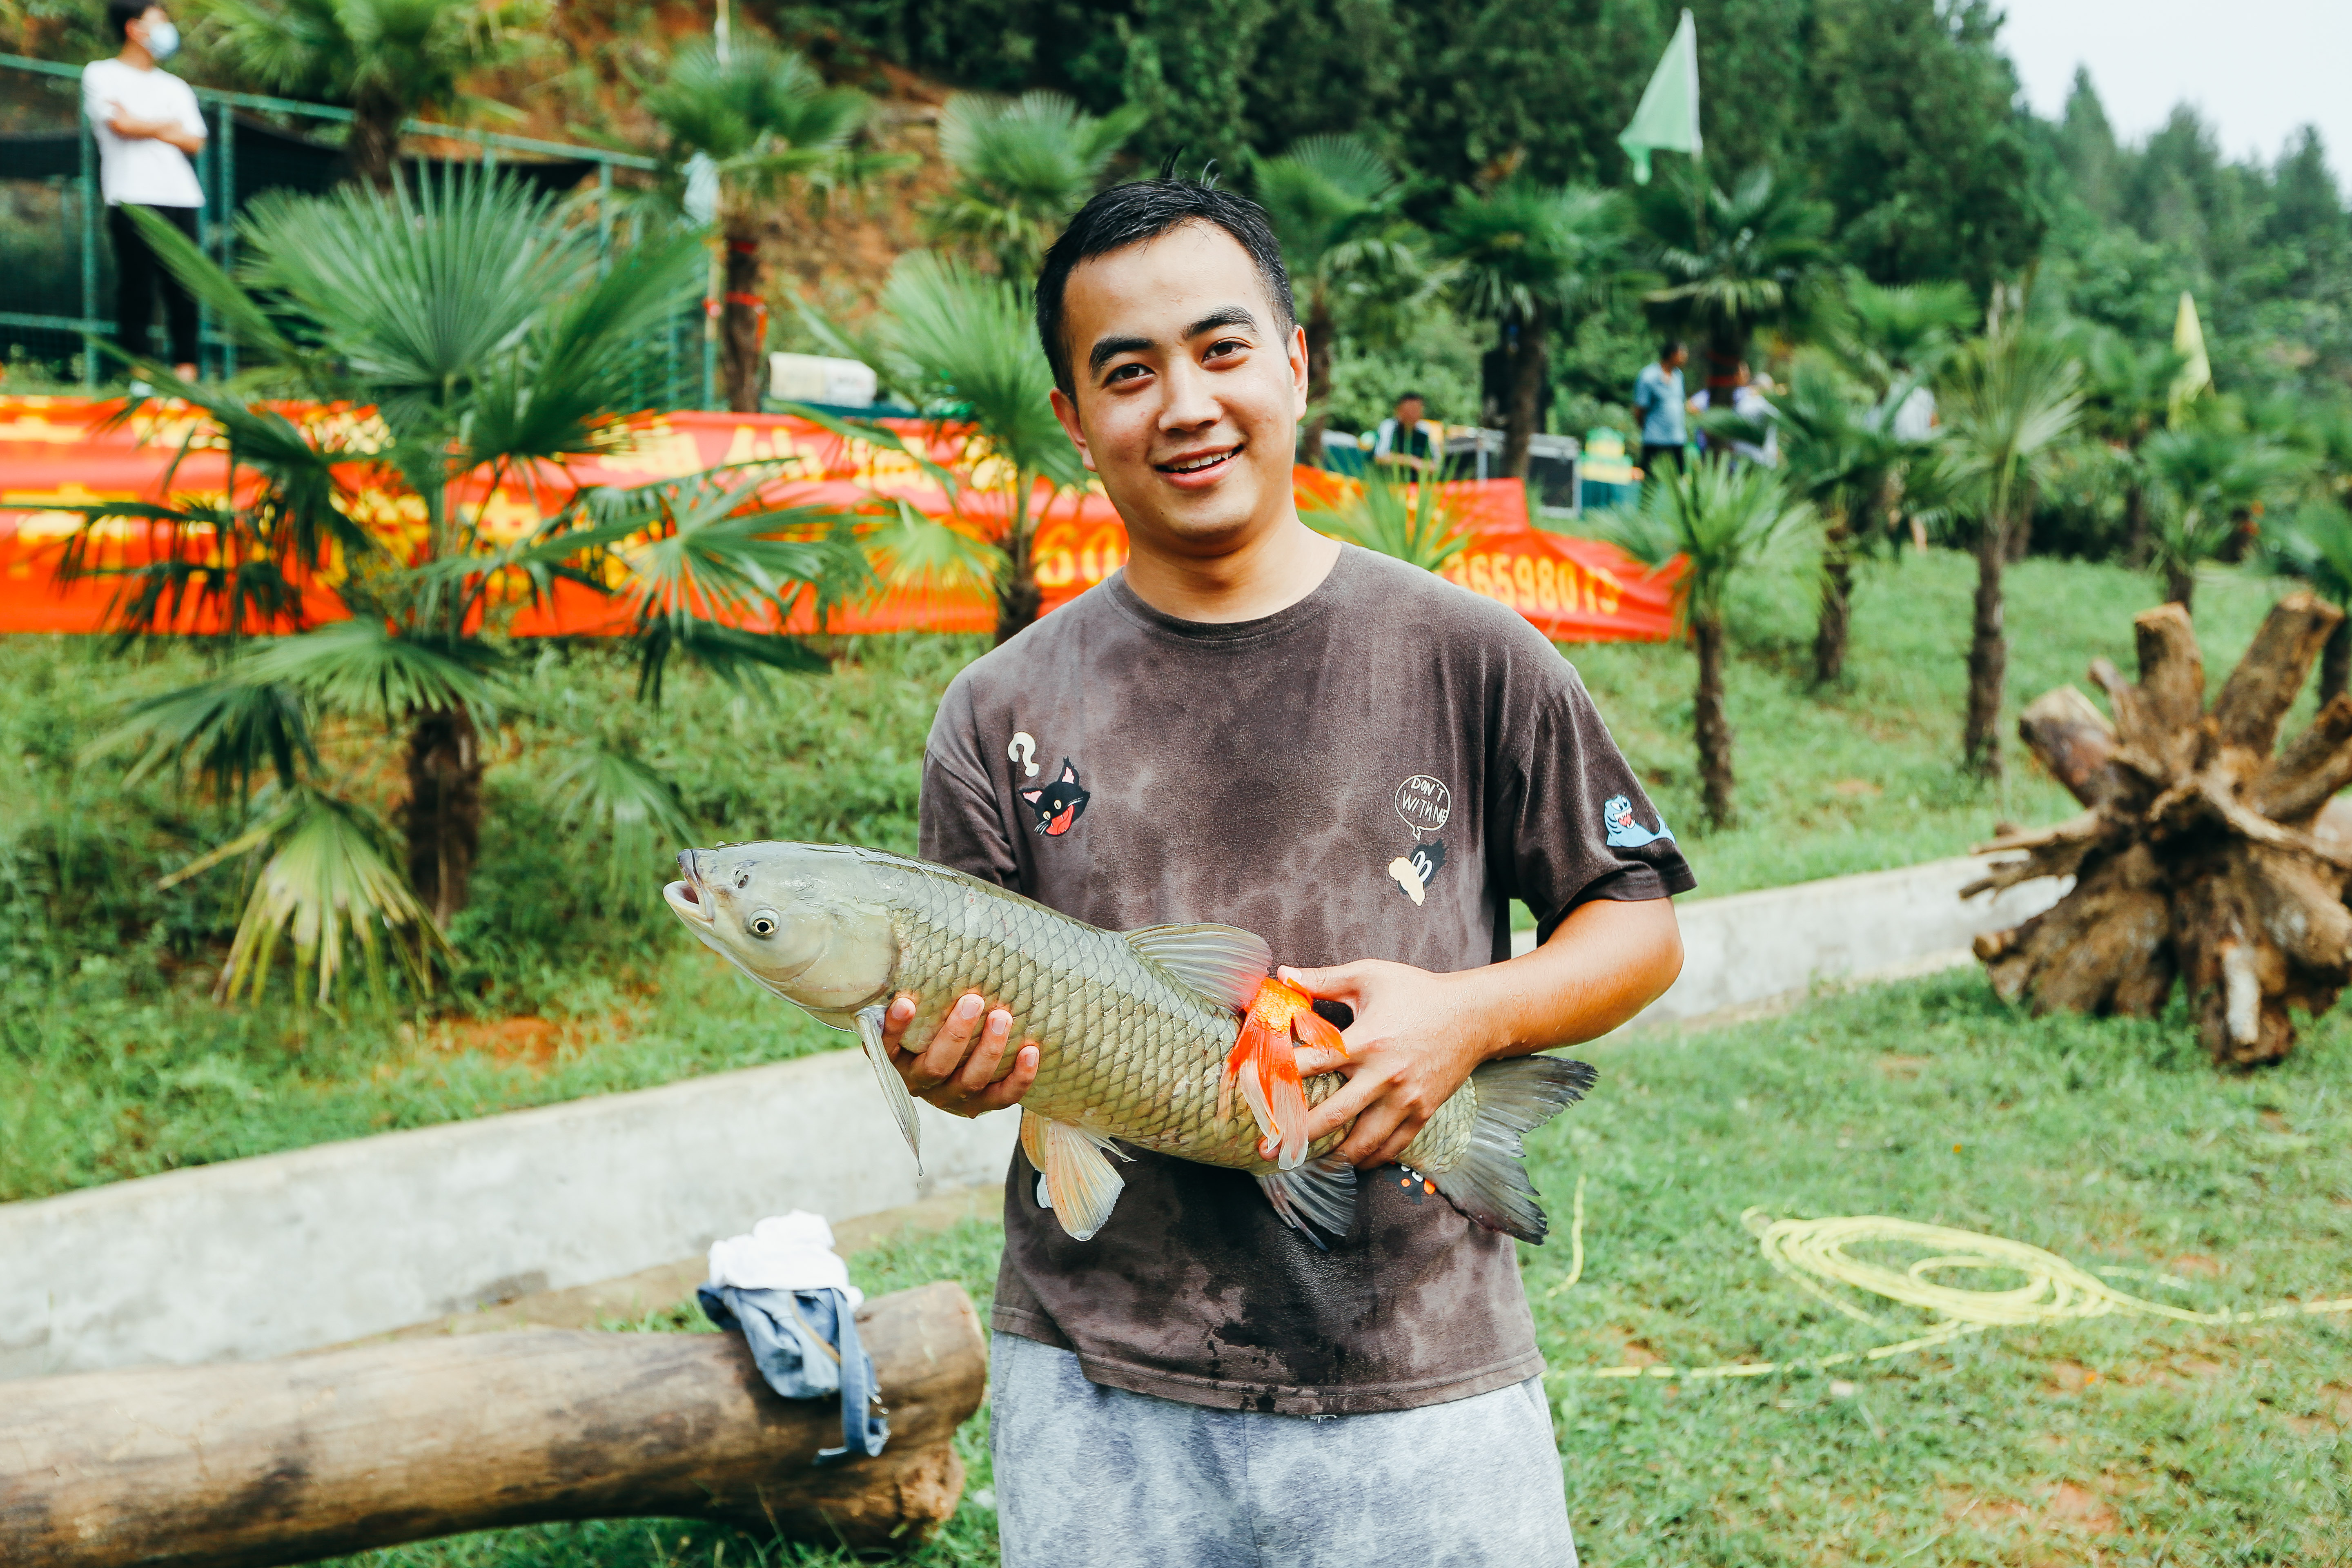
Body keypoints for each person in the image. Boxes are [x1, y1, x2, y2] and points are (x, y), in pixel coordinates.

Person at [882, 178, 1691, 1566]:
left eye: (1222, 348)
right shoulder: (1001, 710)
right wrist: (939, 1063)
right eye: (1126, 372)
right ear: (1074, 417)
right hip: (1099, 1380)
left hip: (1421, 1368)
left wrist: (1473, 1017)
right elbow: (961, 1023)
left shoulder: (1468, 652)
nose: (1184, 403)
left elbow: (1639, 924)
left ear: (1297, 360)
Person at [82, 0, 206, 382]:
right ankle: (142, 379)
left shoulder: (176, 86)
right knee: (137, 288)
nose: (168, 28)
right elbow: (119, 124)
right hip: (130, 197)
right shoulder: (101, 74)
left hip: (182, 198)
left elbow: (195, 141)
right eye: (160, 21)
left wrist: (143, 123)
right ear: (134, 29)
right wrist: (166, 126)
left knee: (185, 289)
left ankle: (187, 377)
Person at [1688, 360, 1778, 467]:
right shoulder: (1721, 392)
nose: (1747, 377)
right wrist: (1710, 425)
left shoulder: (1745, 393)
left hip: (1733, 452)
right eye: (1744, 374)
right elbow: (1691, 405)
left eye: (1747, 374)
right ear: (1734, 375)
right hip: (1712, 449)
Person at [1631, 339, 1687, 474]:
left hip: (1676, 439)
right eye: (1683, 354)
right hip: (1655, 439)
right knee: (1651, 481)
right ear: (1673, 355)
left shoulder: (1679, 376)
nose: (1685, 358)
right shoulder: (1648, 376)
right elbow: (1639, 409)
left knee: (1678, 482)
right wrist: (1648, 429)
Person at [1370, 390, 1435, 472]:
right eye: (1409, 411)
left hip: (1417, 483)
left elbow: (1436, 464)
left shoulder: (1425, 429)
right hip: (1390, 481)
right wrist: (1411, 461)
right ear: (1399, 411)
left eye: (1416, 411)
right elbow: (1380, 457)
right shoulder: (1389, 426)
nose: (1412, 415)